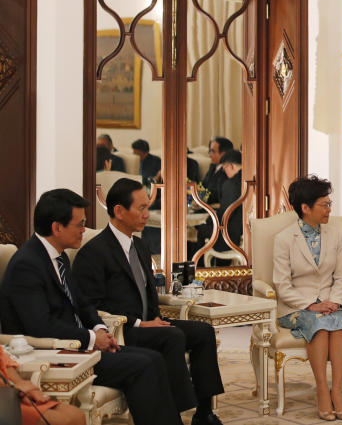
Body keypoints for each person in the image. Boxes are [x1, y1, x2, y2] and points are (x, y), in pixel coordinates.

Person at [0, 189, 181, 425]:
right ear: (57, 228)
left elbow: (82, 303)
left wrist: (99, 329)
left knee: (154, 359)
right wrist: (91, 339)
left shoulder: (59, 255)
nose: (84, 230)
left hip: (80, 346)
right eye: (80, 224)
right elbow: (40, 326)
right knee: (143, 365)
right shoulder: (27, 264)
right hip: (54, 353)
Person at [72, 178, 225, 425]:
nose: (147, 214)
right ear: (119, 211)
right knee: (172, 336)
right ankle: (173, 413)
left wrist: (154, 318)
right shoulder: (93, 253)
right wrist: (139, 324)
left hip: (149, 322)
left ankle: (204, 413)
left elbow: (147, 290)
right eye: (141, 208)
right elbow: (92, 306)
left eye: (148, 207)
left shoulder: (140, 246)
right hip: (124, 330)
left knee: (203, 332)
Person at [273, 176, 342, 421]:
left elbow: (341, 277)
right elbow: (281, 284)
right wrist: (312, 304)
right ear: (305, 208)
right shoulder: (284, 239)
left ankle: (336, 392)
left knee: (339, 324)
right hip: (295, 307)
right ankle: (321, 390)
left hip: (331, 304)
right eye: (324, 205)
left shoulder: (336, 234)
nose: (330, 209)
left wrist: (334, 303)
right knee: (317, 323)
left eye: (330, 204)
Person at [0, 346, 84, 425]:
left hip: (11, 394)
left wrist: (26, 388)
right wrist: (15, 389)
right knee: (61, 420)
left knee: (77, 415)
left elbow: (4, 361)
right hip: (4, 402)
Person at [201, 137, 233, 202]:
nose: (210, 155)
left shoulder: (229, 170)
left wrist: (202, 197)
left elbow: (219, 194)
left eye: (212, 151)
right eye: (209, 151)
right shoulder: (213, 166)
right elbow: (203, 185)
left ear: (223, 154)